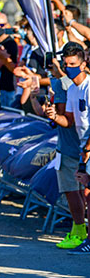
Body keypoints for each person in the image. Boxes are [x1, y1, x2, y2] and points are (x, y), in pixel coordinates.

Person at [48, 43, 90, 252]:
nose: (69, 68)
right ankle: (83, 236)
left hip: (87, 149)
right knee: (84, 194)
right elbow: (70, 120)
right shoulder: (73, 89)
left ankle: (85, 238)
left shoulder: (89, 87)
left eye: (73, 64)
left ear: (83, 64)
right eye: (66, 64)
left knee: (87, 194)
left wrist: (88, 149)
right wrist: (54, 116)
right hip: (82, 147)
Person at [0, 13, 20, 108]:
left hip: (7, 89)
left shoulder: (11, 43)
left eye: (1, 25)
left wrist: (0, 56)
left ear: (6, 25)